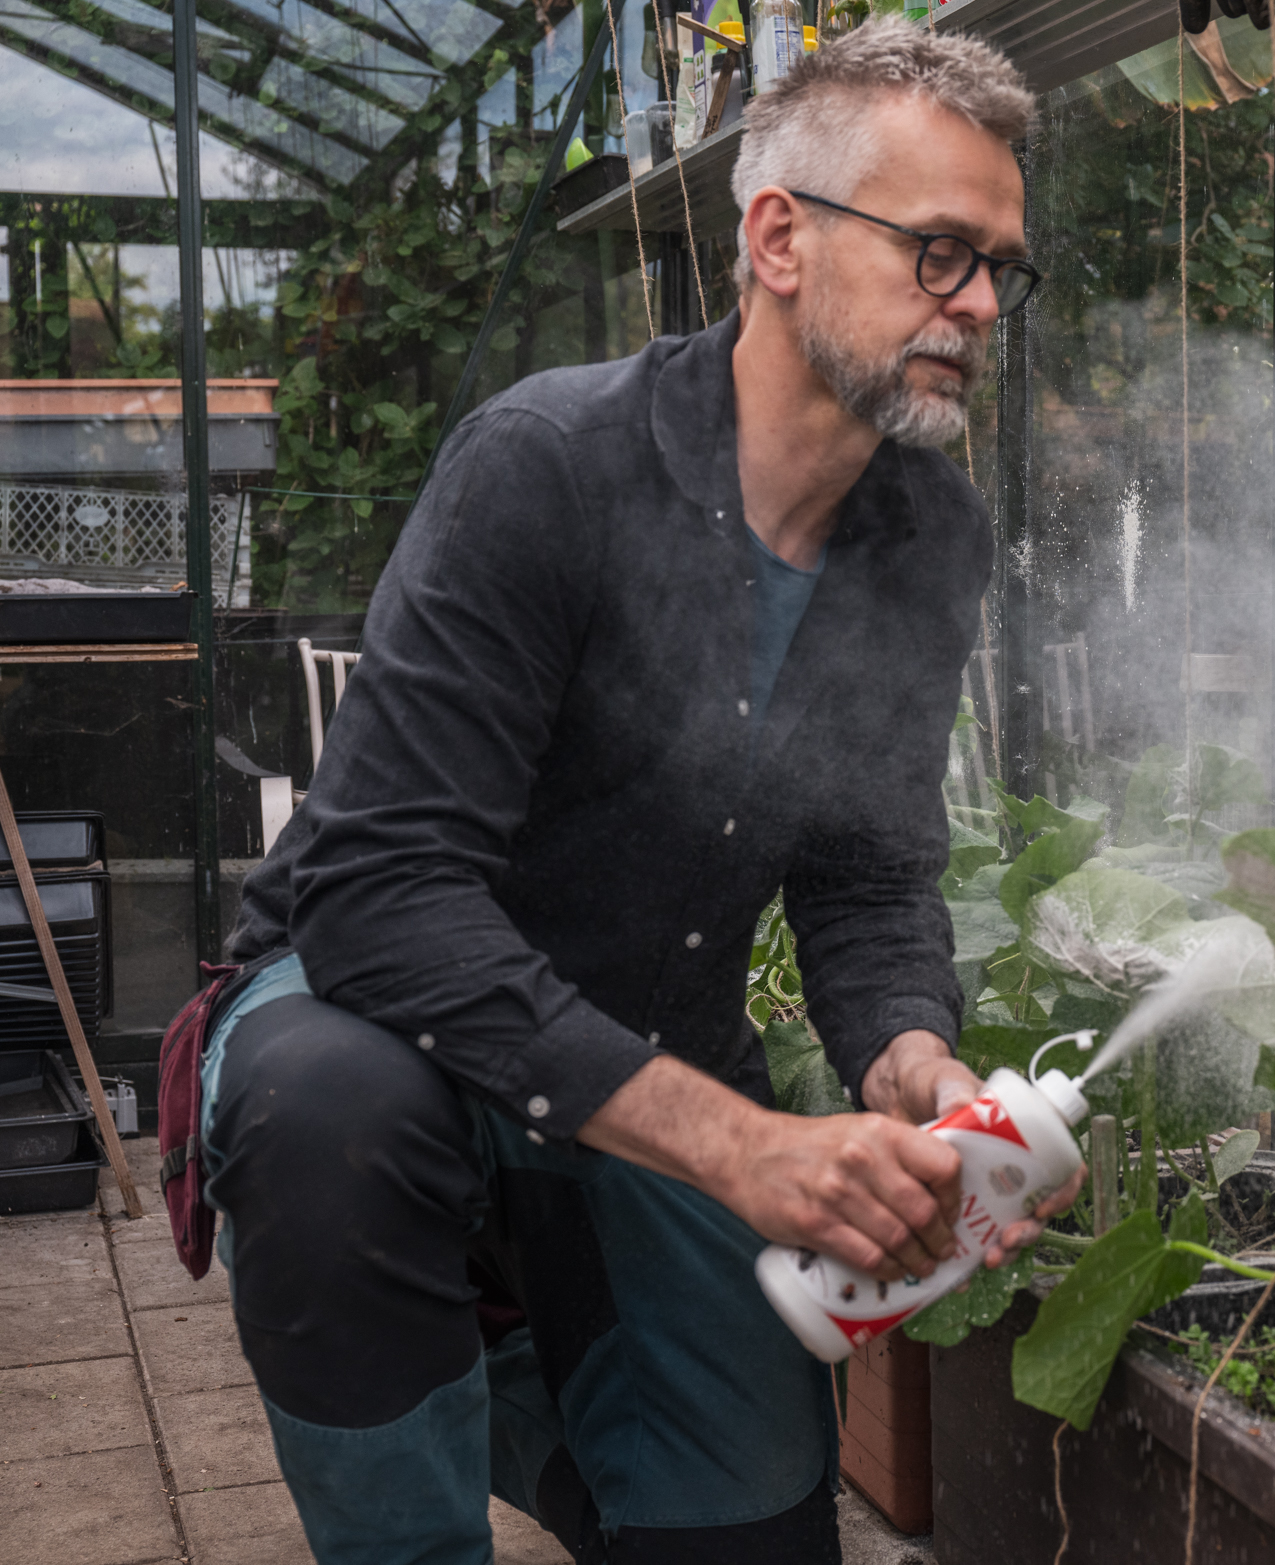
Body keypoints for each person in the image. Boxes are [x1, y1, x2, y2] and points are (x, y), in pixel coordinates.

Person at [197, 20, 1056, 1563]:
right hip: (371, 1014)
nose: (981, 302)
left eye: (1001, 265)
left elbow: (865, 873)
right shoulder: (547, 467)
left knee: (748, 1527)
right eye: (940, 251)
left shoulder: (928, 537)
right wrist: (746, 1148)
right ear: (778, 238)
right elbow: (382, 897)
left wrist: (914, 1065)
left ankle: (522, 1369)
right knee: (325, 1117)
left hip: (647, 1043)